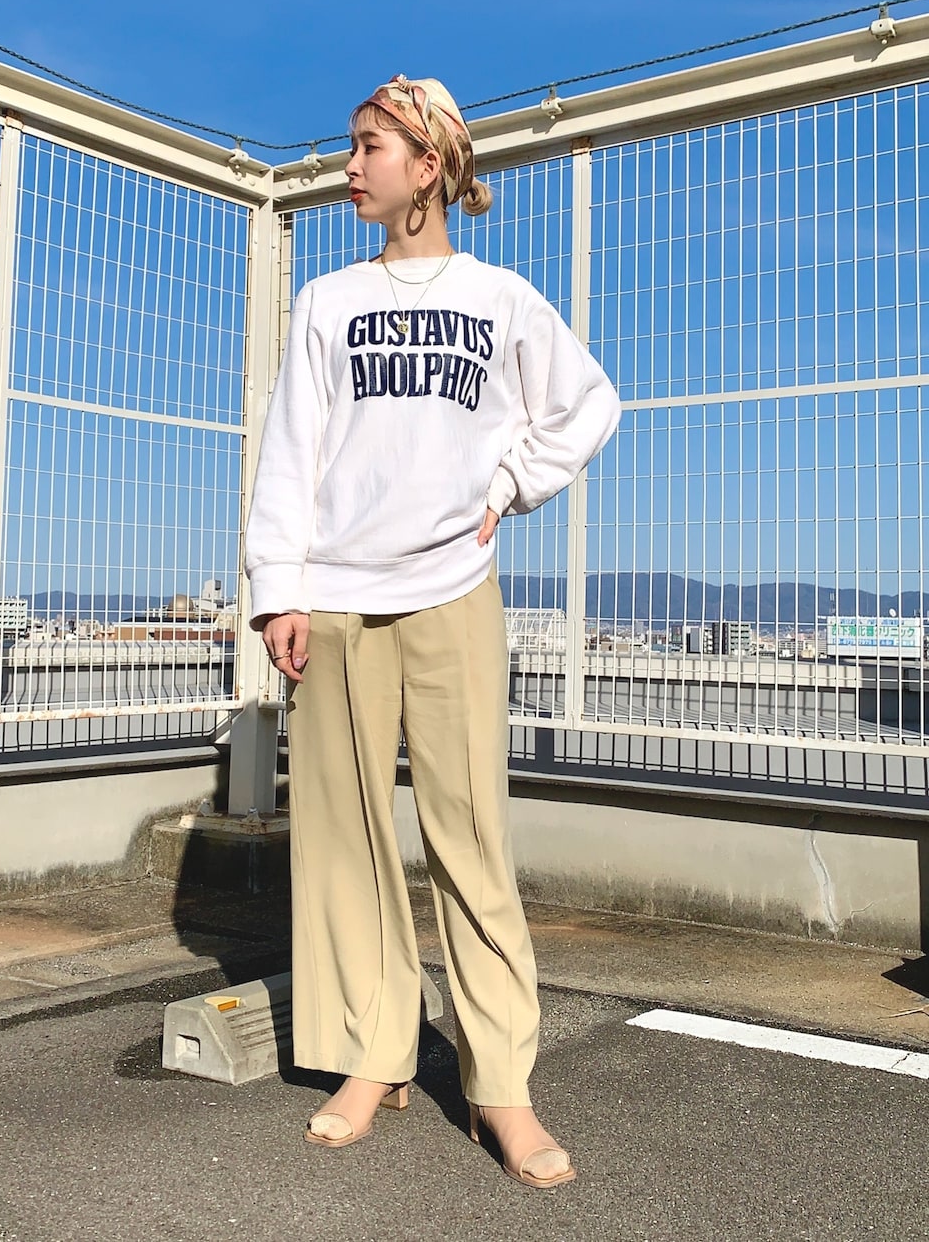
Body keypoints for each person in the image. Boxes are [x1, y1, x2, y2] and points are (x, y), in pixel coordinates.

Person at [244, 74, 621, 1189]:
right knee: (345, 841)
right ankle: (374, 1057)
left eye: (370, 146)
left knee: (471, 841)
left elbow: (587, 404)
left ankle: (501, 1087)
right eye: (350, 146)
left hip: (454, 591)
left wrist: (510, 482)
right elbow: (292, 450)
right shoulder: (328, 300)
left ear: (429, 164)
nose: (348, 165)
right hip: (337, 597)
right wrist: (279, 589)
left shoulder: (501, 298)